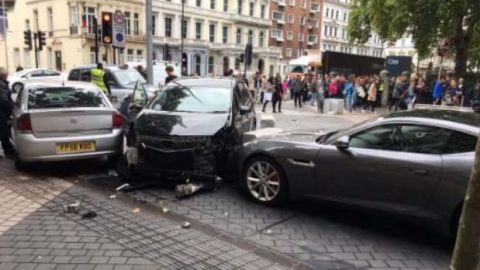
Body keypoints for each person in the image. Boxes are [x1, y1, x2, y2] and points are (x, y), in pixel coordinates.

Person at [0, 67, 15, 157]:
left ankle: (8, 149)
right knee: (4, 132)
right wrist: (12, 108)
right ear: (4, 75)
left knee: (4, 132)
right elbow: (4, 100)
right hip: (2, 113)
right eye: (7, 75)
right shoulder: (1, 86)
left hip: (2, 112)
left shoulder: (3, 84)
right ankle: (8, 150)